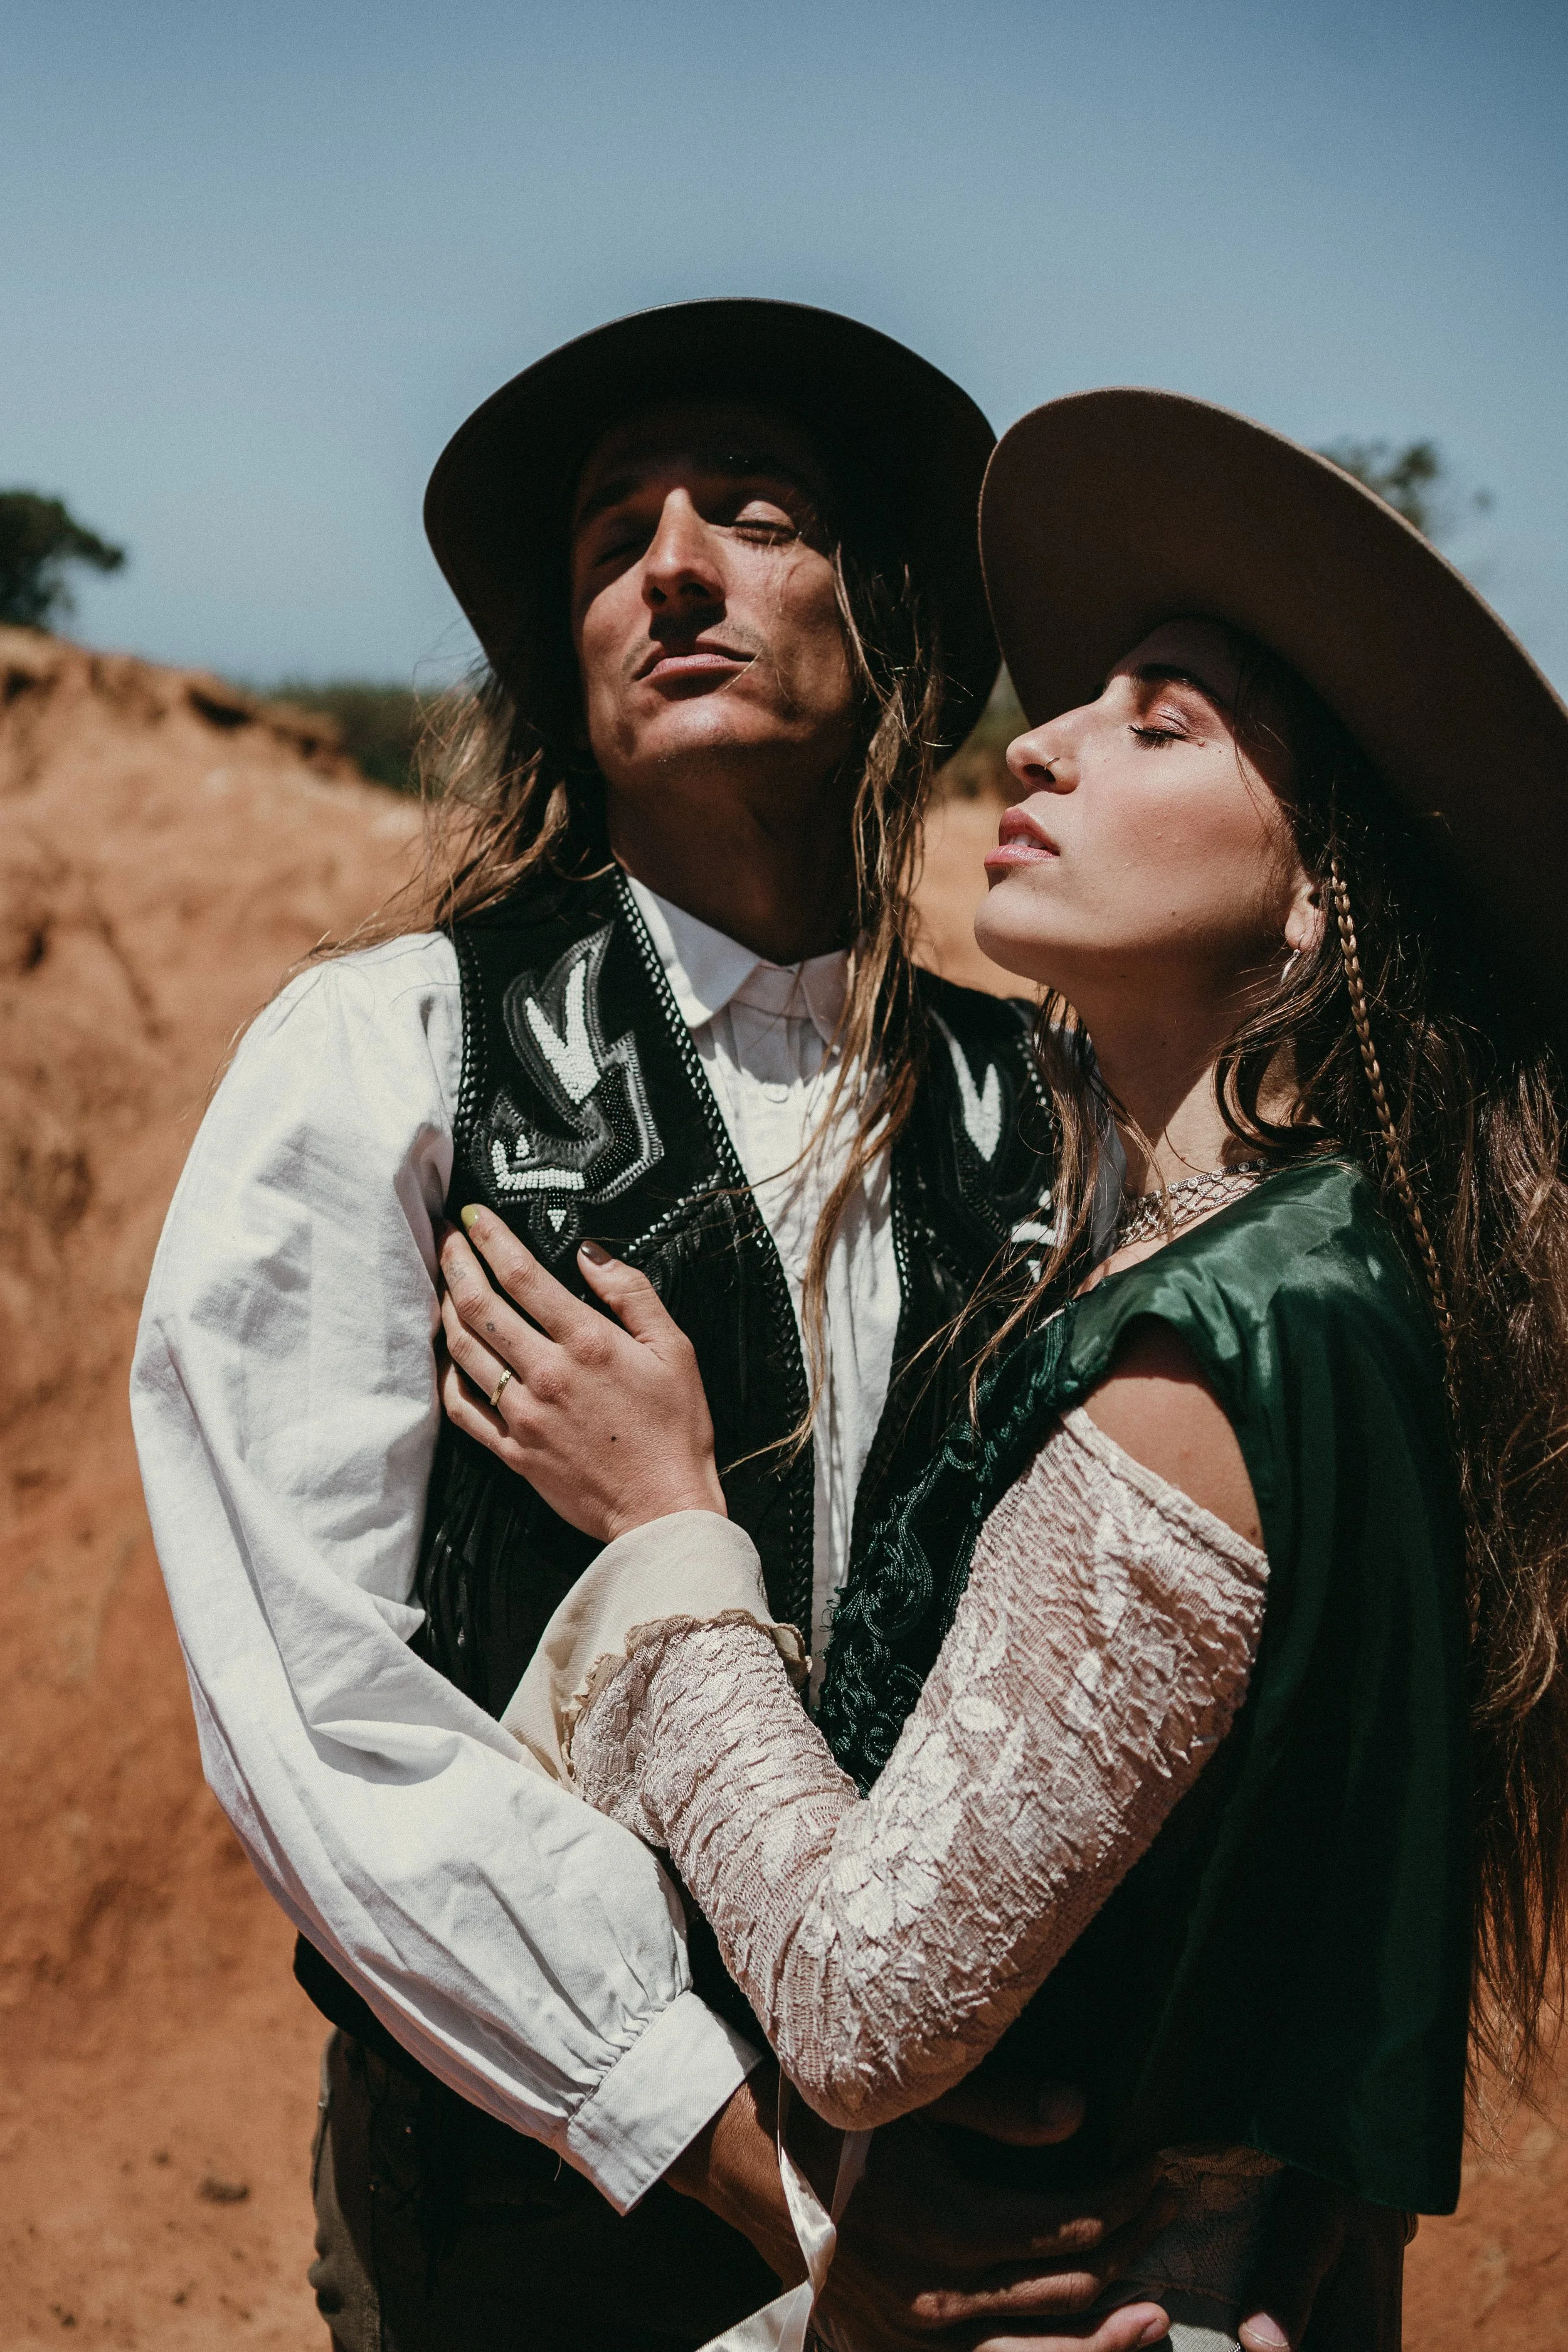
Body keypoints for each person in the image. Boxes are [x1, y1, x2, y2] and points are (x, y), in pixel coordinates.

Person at [436, 389, 1568, 2349]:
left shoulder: (1210, 1348)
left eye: (1162, 722)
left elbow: (870, 2009)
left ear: (1322, 893)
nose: (1032, 742)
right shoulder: (1308, 1273)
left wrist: (664, 1529)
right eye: (1077, 701)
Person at [132, 304, 1207, 2352]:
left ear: (884, 621)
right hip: (534, 2202)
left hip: (997, 2216)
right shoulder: (387, 1056)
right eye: (613, 536)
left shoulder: (1060, 1108)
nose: (674, 566)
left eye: (755, 514)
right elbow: (320, 1709)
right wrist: (766, 2181)